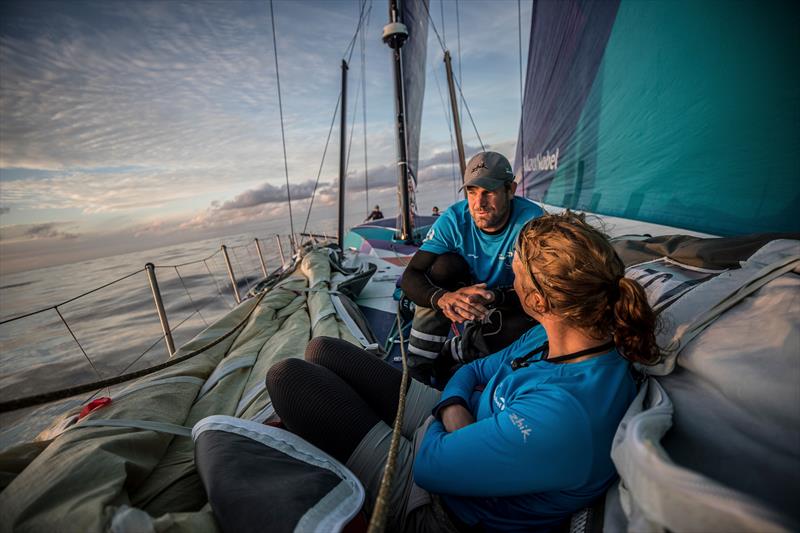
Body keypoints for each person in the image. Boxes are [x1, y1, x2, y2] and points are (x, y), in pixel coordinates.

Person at [265, 211, 660, 532]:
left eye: (516, 275)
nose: (510, 282)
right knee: (324, 349)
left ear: (537, 299)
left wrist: (456, 416)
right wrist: (454, 410)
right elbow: (473, 370)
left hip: (437, 504)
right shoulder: (552, 336)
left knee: (287, 378)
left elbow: (429, 467)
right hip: (457, 423)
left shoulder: (564, 414)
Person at [401, 151, 543, 385]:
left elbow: (544, 289)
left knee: (533, 331)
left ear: (511, 190)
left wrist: (494, 297)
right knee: (442, 267)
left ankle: (457, 350)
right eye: (472, 191)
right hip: (465, 293)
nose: (479, 203)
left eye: (488, 191)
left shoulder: (532, 223)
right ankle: (419, 365)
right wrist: (445, 299)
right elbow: (411, 275)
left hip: (513, 299)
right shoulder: (455, 219)